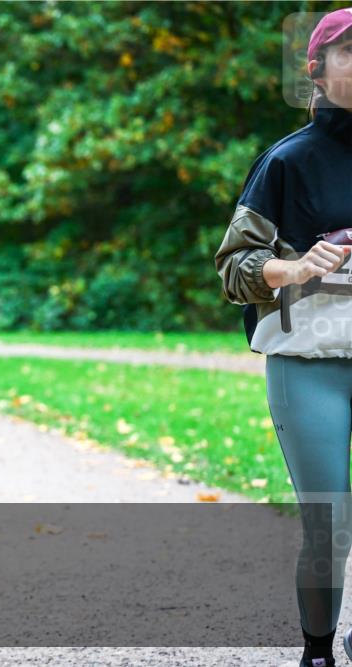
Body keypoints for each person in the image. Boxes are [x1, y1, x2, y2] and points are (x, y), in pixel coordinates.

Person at [214, 11, 352, 666]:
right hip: (310, 362)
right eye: (350, 53)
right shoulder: (286, 162)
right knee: (330, 525)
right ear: (316, 71)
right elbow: (233, 269)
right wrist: (294, 267)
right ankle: (318, 653)